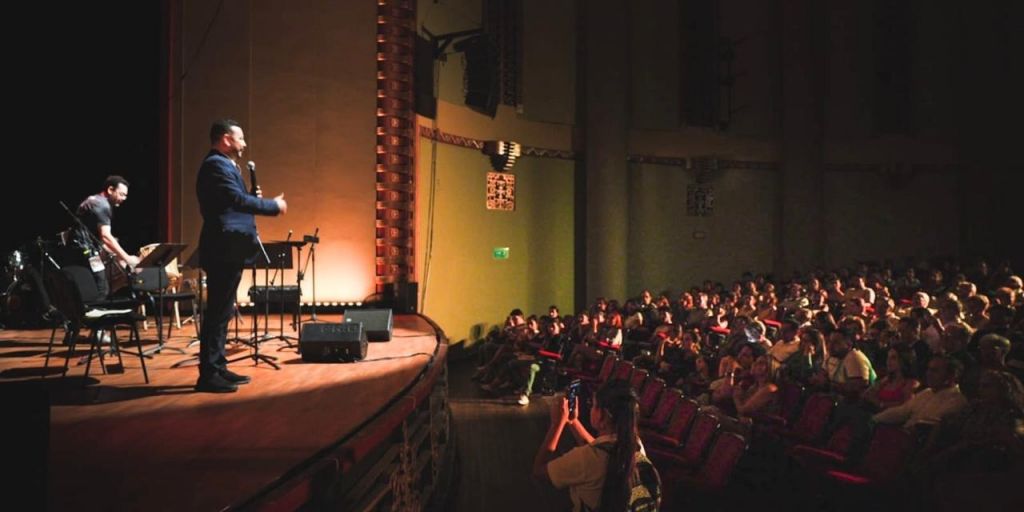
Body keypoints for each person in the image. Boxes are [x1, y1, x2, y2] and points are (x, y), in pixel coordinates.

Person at [194, 119, 287, 393]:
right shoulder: (216, 165)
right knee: (217, 314)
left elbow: (233, 201)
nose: (244, 144)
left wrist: (250, 197)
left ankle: (218, 368)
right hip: (223, 247)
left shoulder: (224, 165)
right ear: (225, 139)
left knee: (223, 313)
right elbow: (236, 202)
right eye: (240, 138)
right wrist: (272, 205)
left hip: (230, 247)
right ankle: (208, 375)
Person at [533, 380, 656, 512]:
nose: (591, 409)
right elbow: (602, 450)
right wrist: (573, 421)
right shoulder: (635, 445)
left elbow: (539, 471)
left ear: (603, 415)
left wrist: (556, 424)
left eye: (593, 405)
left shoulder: (586, 459)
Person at [72, 175, 141, 299]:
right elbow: (106, 236)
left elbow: (97, 236)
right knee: (102, 288)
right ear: (110, 190)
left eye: (125, 195)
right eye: (121, 194)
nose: (124, 198)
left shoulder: (96, 200)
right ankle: (96, 316)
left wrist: (120, 257)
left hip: (84, 249)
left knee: (117, 278)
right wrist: (127, 258)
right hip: (87, 251)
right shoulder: (102, 205)